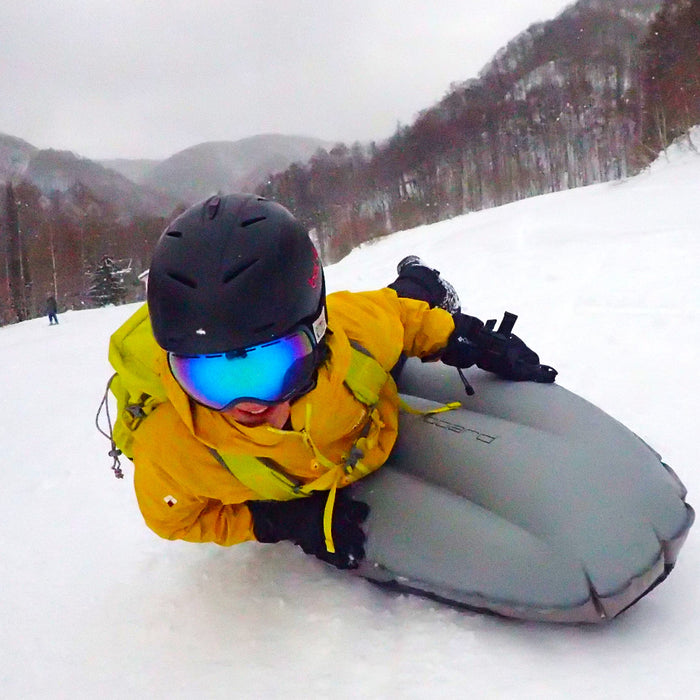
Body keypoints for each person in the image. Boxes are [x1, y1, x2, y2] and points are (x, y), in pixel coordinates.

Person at [120, 193, 556, 570]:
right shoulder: (173, 450)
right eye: (210, 378)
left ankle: (422, 276)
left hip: (360, 369)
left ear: (318, 334)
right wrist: (274, 521)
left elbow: (402, 319)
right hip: (320, 456)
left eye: (267, 369)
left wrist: (466, 337)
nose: (246, 401)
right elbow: (173, 519)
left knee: (402, 301)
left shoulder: (349, 336)